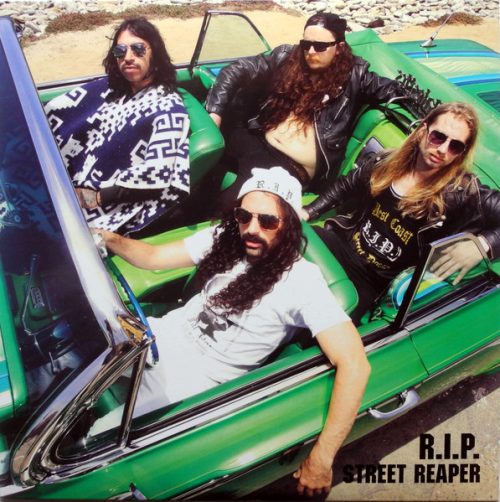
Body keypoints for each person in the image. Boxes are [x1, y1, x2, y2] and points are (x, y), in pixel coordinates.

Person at [99, 166, 371, 497]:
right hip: (157, 338)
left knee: (96, 443)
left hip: (191, 384)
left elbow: (355, 364)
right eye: (244, 216)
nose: (252, 229)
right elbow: (154, 256)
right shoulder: (226, 238)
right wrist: (108, 239)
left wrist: (323, 458)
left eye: (268, 221)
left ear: (289, 224)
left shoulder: (302, 282)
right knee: (64, 362)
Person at [303, 102, 500, 323]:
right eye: (438, 137)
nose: (443, 150)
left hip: (370, 281)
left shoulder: (463, 192)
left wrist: (483, 244)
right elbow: (347, 185)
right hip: (339, 241)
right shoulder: (387, 161)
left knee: (318, 319)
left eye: (455, 146)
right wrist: (309, 211)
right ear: (423, 131)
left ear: (461, 153)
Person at [205, 12, 405, 200]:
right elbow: (237, 70)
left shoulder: (356, 77)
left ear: (339, 48)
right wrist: (215, 113)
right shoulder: (287, 57)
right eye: (306, 44)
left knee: (244, 189)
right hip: (258, 139)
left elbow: (396, 91)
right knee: (208, 147)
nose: (310, 52)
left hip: (292, 165)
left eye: (319, 46)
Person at [45, 17, 190, 235]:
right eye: (120, 51)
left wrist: (95, 197)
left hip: (104, 206)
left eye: (138, 49)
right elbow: (54, 111)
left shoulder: (169, 109)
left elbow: (158, 173)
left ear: (156, 55)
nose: (128, 57)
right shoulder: (109, 88)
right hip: (64, 179)